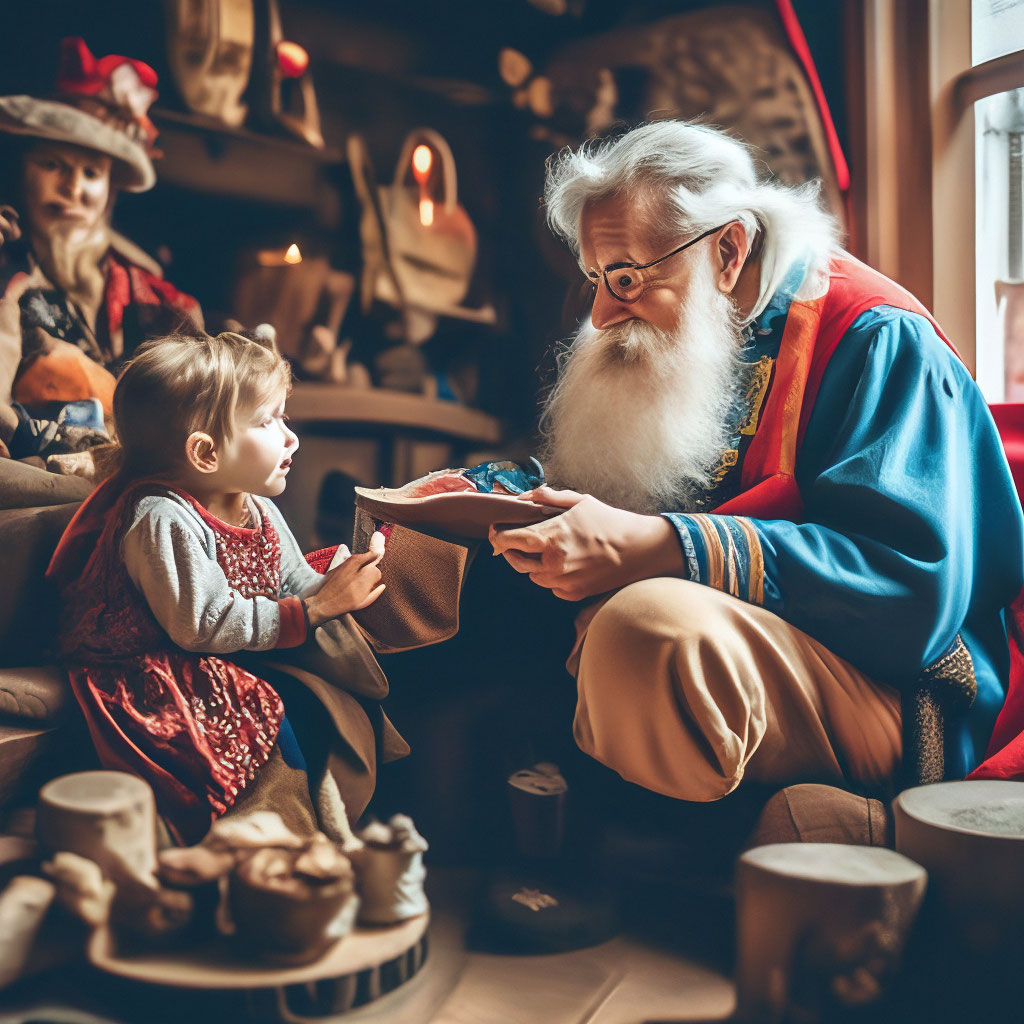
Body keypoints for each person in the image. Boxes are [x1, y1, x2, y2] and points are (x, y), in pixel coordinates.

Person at [487, 120, 1024, 802]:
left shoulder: (877, 337)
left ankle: (691, 877)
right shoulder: (703, 332)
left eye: (624, 277)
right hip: (761, 654)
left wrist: (664, 547)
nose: (600, 314)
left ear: (729, 249)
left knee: (645, 630)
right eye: (595, 278)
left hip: (900, 691)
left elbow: (910, 594)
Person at [46, 331, 404, 844]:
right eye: (267, 421)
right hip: (151, 667)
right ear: (206, 452)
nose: (290, 437)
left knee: (330, 702)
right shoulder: (160, 518)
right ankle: (271, 833)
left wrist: (340, 582)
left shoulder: (258, 508)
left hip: (224, 650)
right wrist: (316, 609)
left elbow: (293, 581)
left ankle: (331, 816)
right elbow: (202, 623)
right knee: (262, 714)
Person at [0, 37, 201, 460]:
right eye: (52, 165)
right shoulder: (8, 263)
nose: (73, 189)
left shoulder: (149, 295)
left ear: (110, 189)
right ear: (22, 172)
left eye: (91, 172)